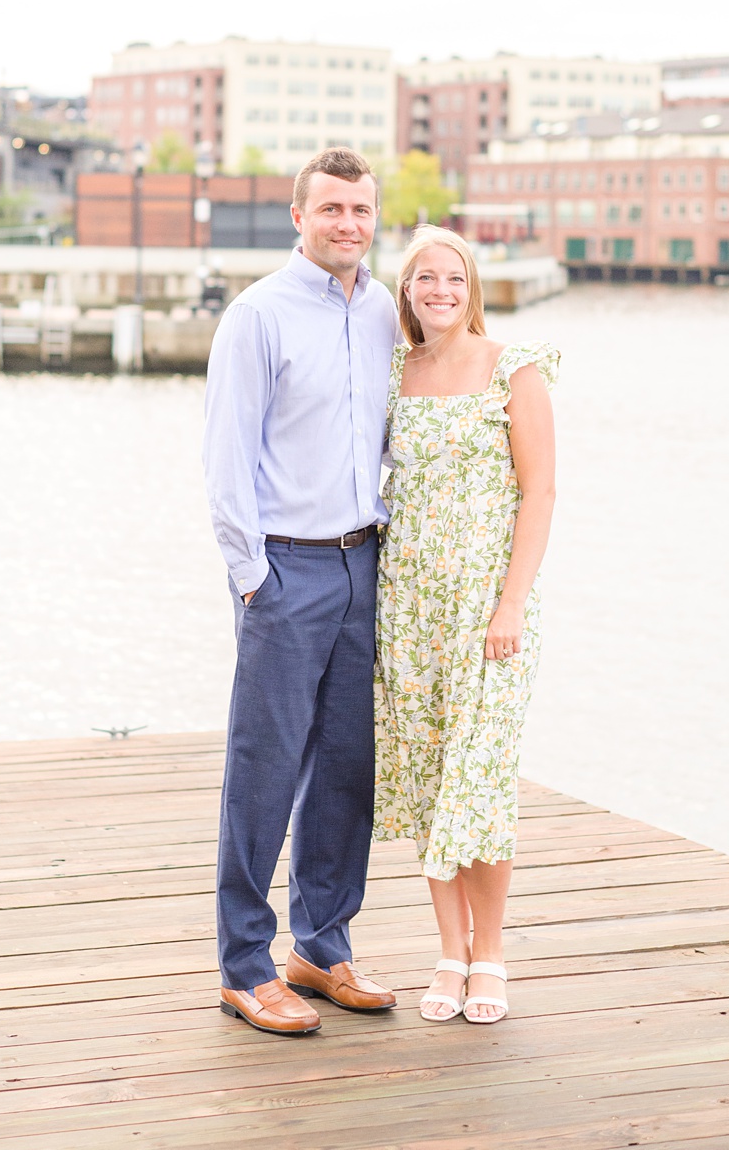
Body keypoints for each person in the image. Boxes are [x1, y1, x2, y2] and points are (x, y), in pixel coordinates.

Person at [203, 146, 399, 1035]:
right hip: (287, 569)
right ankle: (246, 965)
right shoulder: (258, 316)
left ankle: (321, 946)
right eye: (331, 211)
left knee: (347, 772)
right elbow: (226, 458)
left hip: (368, 563)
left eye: (360, 211)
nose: (348, 226)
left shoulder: (386, 312)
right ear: (299, 216)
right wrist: (254, 580)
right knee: (264, 768)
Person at [373, 227, 558, 1026]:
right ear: (406, 290)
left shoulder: (514, 368)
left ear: (471, 287)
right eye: (424, 278)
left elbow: (541, 493)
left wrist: (511, 602)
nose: (440, 290)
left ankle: (493, 959)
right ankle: (449, 952)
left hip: (488, 608)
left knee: (479, 780)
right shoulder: (394, 372)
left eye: (454, 277)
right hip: (408, 603)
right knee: (429, 776)